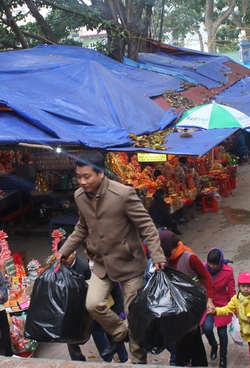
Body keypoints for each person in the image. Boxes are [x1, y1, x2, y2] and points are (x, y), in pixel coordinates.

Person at [56, 151, 166, 364]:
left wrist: (158, 254)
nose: (81, 181)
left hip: (129, 263)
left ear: (101, 174)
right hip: (101, 262)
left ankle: (137, 360)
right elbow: (82, 227)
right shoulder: (80, 196)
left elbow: (147, 226)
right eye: (78, 176)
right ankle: (120, 333)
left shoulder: (123, 195)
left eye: (86, 176)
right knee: (93, 304)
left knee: (133, 314)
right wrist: (65, 250)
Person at [159, 230, 214, 367]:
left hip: (191, 304)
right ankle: (199, 363)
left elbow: (206, 276)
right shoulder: (166, 259)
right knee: (193, 339)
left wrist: (210, 299)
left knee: (184, 335)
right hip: (176, 303)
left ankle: (182, 363)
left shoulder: (189, 257)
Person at [201, 248, 235, 368]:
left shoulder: (228, 271)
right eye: (210, 263)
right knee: (207, 328)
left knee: (222, 333)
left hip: (222, 305)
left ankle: (223, 357)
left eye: (214, 264)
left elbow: (231, 291)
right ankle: (213, 345)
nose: (212, 266)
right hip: (207, 304)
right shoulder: (203, 268)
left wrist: (236, 310)